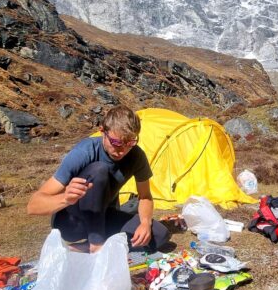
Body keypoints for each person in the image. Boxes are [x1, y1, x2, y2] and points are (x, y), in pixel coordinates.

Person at [27, 105, 170, 253]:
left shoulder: (136, 155)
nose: (121, 150)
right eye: (116, 142)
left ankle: (84, 248)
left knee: (159, 235)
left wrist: (145, 223)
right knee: (99, 170)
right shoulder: (84, 152)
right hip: (72, 223)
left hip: (103, 218)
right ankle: (96, 244)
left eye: (129, 143)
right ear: (102, 131)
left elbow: (145, 196)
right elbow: (33, 206)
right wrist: (66, 198)